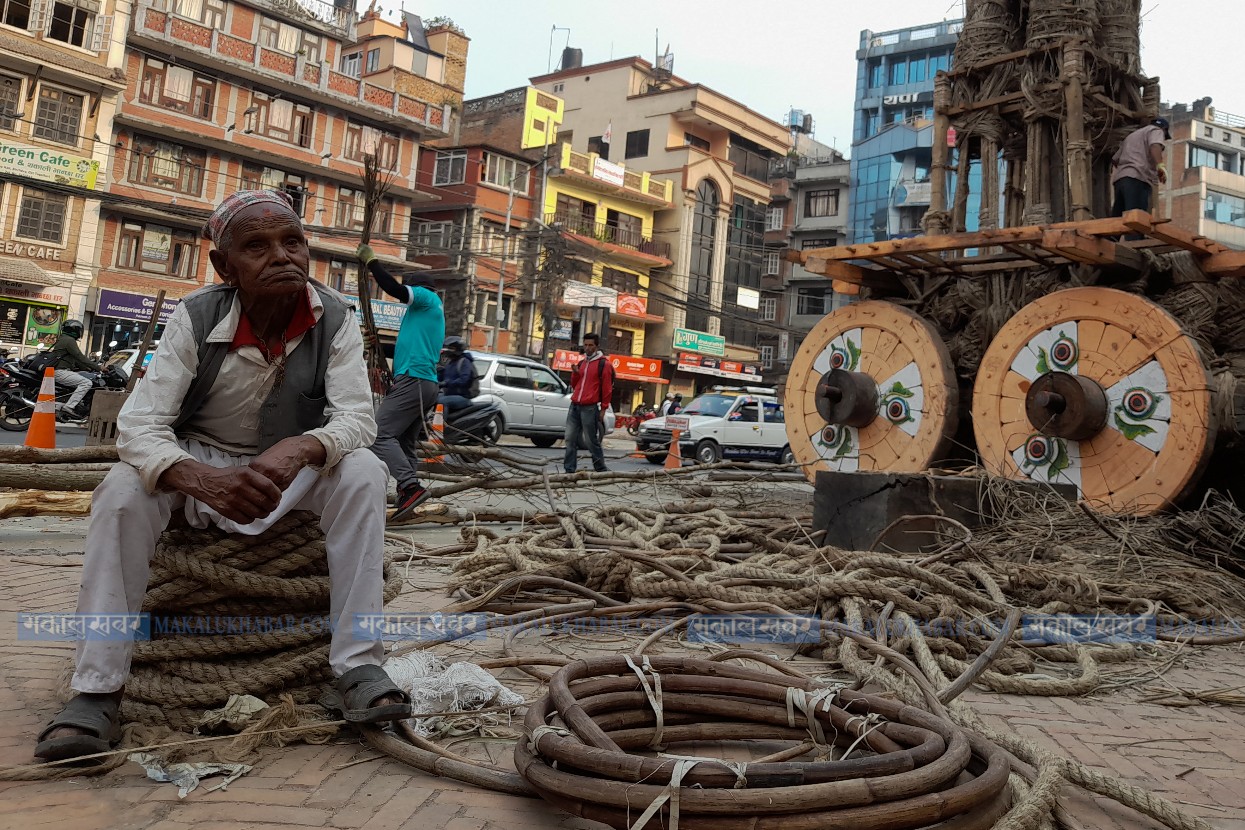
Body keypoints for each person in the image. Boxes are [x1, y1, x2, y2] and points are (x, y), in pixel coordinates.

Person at [33, 190, 410, 763]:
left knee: (363, 472)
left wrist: (301, 449)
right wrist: (200, 479)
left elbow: (357, 418)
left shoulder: (335, 318)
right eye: (256, 246)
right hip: (199, 461)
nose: (282, 256)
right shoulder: (198, 314)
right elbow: (139, 427)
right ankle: (96, 691)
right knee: (119, 493)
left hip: (291, 471)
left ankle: (359, 665)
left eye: (292, 241)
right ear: (224, 267)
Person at [356, 243, 445, 520]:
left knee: (378, 434)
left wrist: (372, 263)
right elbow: (406, 348)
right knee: (404, 441)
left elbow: (394, 289)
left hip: (415, 382)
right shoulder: (424, 317)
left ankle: (410, 486)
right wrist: (380, 347)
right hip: (423, 383)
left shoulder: (427, 300)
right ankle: (410, 497)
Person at [564, 332, 613, 474]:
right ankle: (569, 469)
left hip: (589, 408)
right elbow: (575, 385)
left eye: (591, 345)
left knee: (591, 441)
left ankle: (600, 468)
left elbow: (607, 388)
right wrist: (575, 373)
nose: (588, 348)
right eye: (585, 345)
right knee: (569, 438)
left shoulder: (604, 364)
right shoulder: (582, 363)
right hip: (575, 406)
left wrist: (604, 409)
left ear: (597, 346)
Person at [1111, 118, 1169, 221]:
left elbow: (1115, 159)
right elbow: (1155, 145)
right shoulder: (1156, 131)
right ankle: (1135, 237)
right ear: (1164, 129)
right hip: (1137, 179)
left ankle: (1112, 237)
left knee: (1118, 220)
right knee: (1136, 220)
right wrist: (1160, 165)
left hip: (1120, 180)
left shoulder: (1131, 136)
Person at [47, 319, 100, 422]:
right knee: (86, 383)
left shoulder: (63, 338)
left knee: (80, 378)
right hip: (61, 371)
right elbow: (80, 357)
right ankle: (69, 407)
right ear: (75, 330)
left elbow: (75, 359)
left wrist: (87, 368)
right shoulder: (69, 341)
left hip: (59, 370)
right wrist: (98, 367)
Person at [437, 335, 479, 412]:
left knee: (442, 401)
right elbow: (441, 378)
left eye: (449, 348)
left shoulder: (465, 362)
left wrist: (446, 383)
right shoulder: (449, 362)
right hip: (449, 394)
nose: (446, 350)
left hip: (463, 396)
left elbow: (464, 380)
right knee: (431, 399)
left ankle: (441, 423)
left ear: (456, 349)